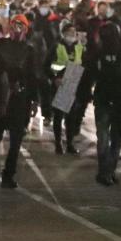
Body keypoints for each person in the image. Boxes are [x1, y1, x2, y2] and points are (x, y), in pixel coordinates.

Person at [88, 22, 121, 186]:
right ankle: (109, 171)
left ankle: (105, 171)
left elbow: (88, 74)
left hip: (104, 100)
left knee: (105, 138)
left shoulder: (98, 52)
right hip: (119, 101)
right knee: (115, 138)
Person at [0, 21, 37, 188]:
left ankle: (8, 174)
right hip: (0, 98)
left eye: (21, 27)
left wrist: (34, 101)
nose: (16, 31)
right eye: (13, 27)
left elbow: (33, 75)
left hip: (20, 99)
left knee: (16, 139)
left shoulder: (29, 49)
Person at [50, 21, 87, 155]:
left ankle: (69, 143)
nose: (72, 35)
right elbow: (47, 66)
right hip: (61, 84)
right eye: (69, 33)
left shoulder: (79, 47)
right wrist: (54, 78)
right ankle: (58, 143)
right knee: (59, 116)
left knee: (71, 117)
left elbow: (84, 64)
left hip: (74, 84)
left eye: (73, 32)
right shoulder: (57, 47)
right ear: (63, 34)